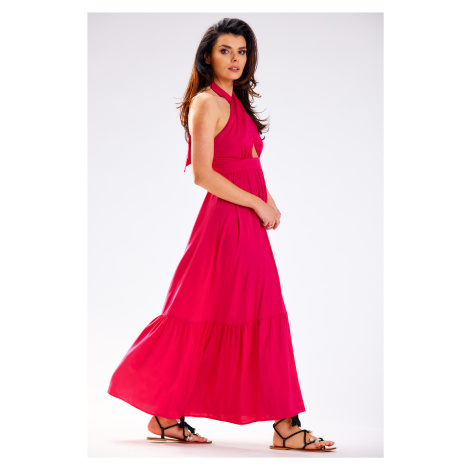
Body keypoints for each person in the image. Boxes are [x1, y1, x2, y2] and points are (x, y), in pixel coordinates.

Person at [107, 17, 336, 452]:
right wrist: (257, 204)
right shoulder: (206, 103)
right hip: (224, 224)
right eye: (225, 50)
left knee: (244, 312)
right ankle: (285, 426)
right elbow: (203, 174)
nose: (235, 59)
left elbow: (247, 164)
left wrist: (268, 200)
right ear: (208, 56)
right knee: (216, 311)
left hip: (246, 221)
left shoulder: (238, 104)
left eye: (242, 51)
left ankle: (168, 415)